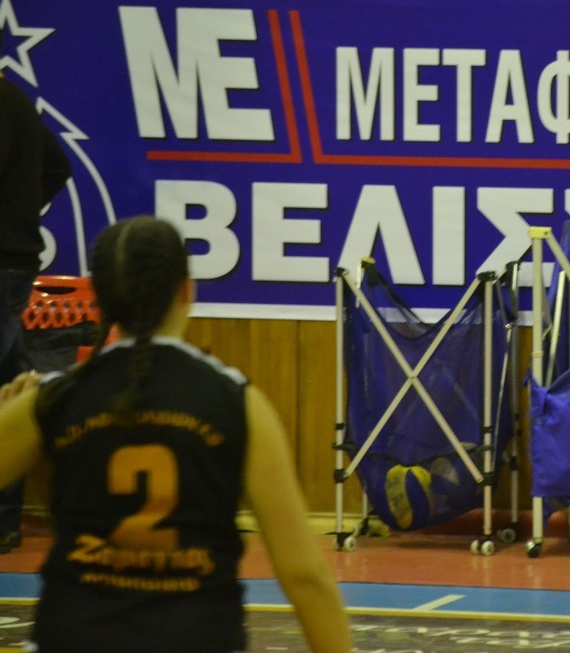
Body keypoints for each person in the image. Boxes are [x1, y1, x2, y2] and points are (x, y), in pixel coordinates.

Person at [0, 216, 353, 652]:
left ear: (100, 300)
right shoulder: (238, 402)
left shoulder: (51, 399)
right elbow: (304, 574)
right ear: (186, 290)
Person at [0, 64, 73, 553]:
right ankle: (5, 520)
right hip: (16, 263)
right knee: (8, 388)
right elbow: (58, 166)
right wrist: (21, 213)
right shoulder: (18, 103)